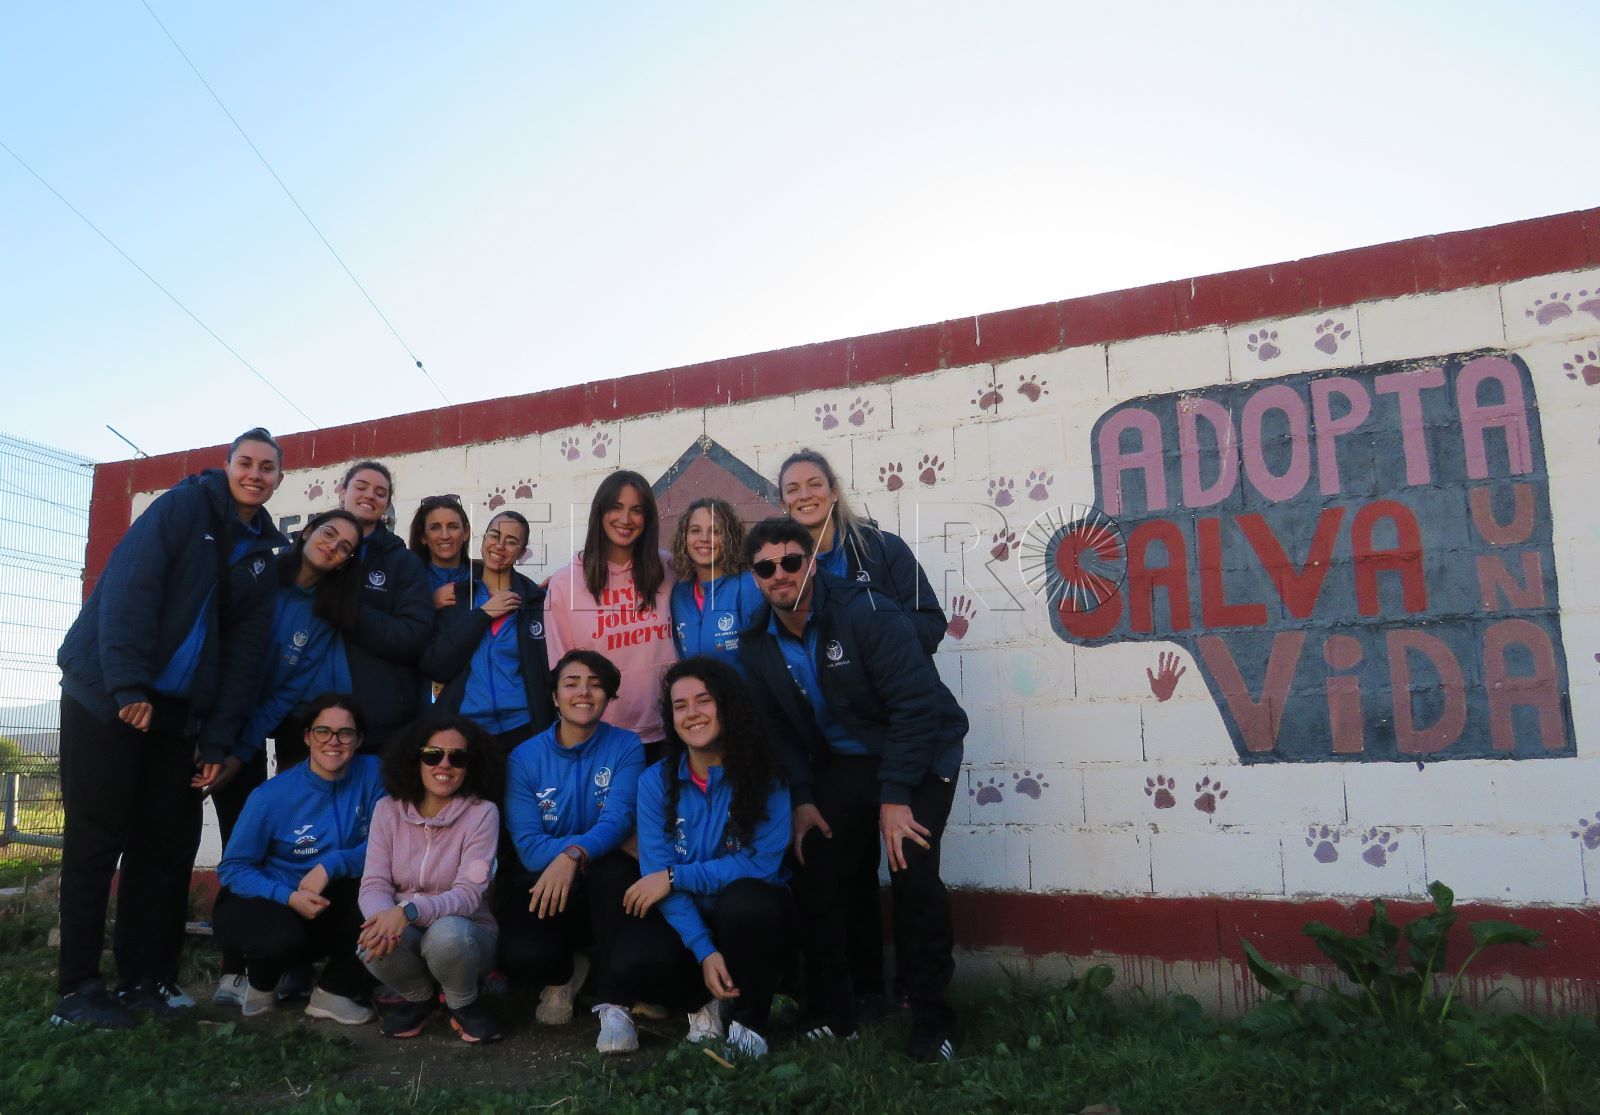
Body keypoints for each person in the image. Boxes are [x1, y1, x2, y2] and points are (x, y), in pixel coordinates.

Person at [52, 427, 287, 1028]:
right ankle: (77, 989)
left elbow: (245, 654)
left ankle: (147, 980)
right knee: (96, 842)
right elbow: (130, 589)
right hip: (108, 696)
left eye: (267, 467)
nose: (255, 474)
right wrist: (127, 684)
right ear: (227, 466)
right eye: (246, 462)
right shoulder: (182, 508)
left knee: (166, 845)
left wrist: (217, 740)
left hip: (179, 715)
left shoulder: (265, 551)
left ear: (279, 479)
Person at [738, 518, 967, 1061]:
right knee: (816, 857)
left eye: (791, 561)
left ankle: (931, 1018)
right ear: (754, 576)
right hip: (849, 759)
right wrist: (801, 797)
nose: (780, 574)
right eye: (766, 567)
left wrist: (895, 797)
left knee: (909, 860)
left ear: (811, 562)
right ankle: (839, 1007)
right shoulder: (756, 642)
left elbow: (914, 707)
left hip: (922, 749)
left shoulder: (868, 611)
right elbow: (776, 730)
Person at [211, 509, 364, 1005]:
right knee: (241, 833)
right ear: (305, 533)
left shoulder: (324, 608)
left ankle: (295, 960)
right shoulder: (261, 576)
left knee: (302, 824)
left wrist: (246, 746)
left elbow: (287, 691)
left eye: (345, 548)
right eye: (328, 535)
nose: (334, 548)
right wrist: (228, 745)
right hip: (225, 711)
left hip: (286, 715)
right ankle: (234, 968)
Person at [612, 658, 793, 1059]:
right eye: (680, 706)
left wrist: (677, 876)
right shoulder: (655, 782)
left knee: (746, 901)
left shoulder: (765, 776)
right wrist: (704, 950)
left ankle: (752, 1020)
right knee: (632, 962)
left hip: (751, 916)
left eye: (703, 701)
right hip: (690, 918)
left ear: (727, 706)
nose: (692, 713)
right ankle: (706, 1002)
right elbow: (656, 877)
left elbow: (758, 865)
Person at [499, 650, 645, 1054]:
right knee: (521, 957)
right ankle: (566, 972)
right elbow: (528, 848)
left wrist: (575, 853)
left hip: (601, 881)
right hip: (546, 881)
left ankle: (614, 1002)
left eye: (595, 684)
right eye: (572, 682)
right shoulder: (524, 758)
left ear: (608, 696)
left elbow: (619, 819)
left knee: (613, 872)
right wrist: (581, 850)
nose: (584, 691)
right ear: (554, 697)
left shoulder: (627, 746)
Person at [213, 693, 386, 1025]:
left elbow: (388, 845)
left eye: (345, 733)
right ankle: (260, 985)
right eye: (323, 731)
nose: (333, 742)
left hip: (332, 898)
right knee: (278, 940)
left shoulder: (373, 774)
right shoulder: (271, 796)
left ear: (359, 740)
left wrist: (331, 864)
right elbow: (233, 868)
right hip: (270, 899)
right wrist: (288, 896)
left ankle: (333, 993)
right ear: (307, 736)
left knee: (381, 891)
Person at [357, 715, 503, 1043]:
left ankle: (463, 1002)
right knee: (370, 943)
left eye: (458, 757)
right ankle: (420, 999)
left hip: (467, 933)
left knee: (446, 935)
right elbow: (374, 884)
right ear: (415, 758)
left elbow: (468, 895)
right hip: (405, 931)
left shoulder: (482, 813)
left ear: (470, 765)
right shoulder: (387, 810)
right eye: (433, 754)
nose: (445, 765)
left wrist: (407, 911)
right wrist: (383, 921)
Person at [544, 471, 676, 760]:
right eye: (616, 507)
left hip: (671, 729)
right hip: (602, 735)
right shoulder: (565, 583)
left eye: (636, 510)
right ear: (600, 512)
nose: (625, 519)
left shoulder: (669, 568)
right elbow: (561, 667)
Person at [777, 449, 947, 656]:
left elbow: (932, 626)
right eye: (793, 489)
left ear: (834, 492)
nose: (804, 495)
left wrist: (872, 628)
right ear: (783, 504)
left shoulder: (886, 548)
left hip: (897, 684)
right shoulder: (776, 570)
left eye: (815, 484)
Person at [420, 510, 554, 759]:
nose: (500, 546)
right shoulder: (455, 596)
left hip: (524, 729)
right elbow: (436, 665)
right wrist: (482, 614)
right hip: (467, 731)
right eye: (494, 535)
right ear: (483, 539)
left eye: (512, 542)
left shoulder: (535, 601)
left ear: (521, 553)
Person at [336, 460, 432, 751]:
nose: (370, 496)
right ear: (342, 491)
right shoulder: (311, 550)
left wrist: (347, 610)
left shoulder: (403, 562)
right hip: (312, 717)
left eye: (380, 492)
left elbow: (412, 636)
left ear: (387, 503)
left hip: (381, 721)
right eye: (361, 487)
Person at [668, 498, 762, 672]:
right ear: (684, 538)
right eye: (695, 530)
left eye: (715, 531)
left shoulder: (748, 586)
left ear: (730, 538)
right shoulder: (678, 595)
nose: (704, 539)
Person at [406, 494, 472, 611]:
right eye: (435, 527)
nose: (445, 536)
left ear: (466, 532)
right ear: (423, 536)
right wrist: (430, 603)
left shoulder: (482, 578)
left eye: (453, 526)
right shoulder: (408, 580)